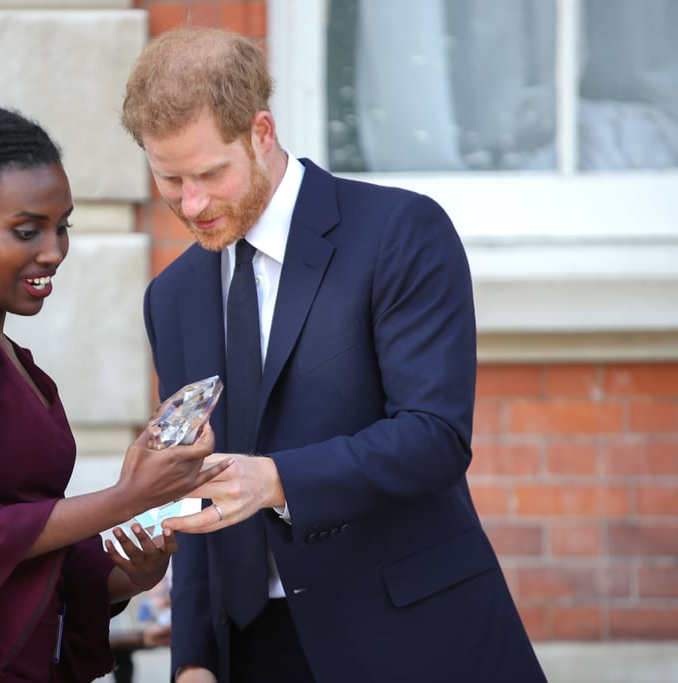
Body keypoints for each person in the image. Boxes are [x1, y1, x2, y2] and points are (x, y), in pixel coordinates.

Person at [121, 26, 547, 683]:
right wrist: (195, 658)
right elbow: (195, 481)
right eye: (169, 178)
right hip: (250, 654)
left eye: (210, 173)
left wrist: (277, 479)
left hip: (409, 640)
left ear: (262, 133)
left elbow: (434, 436)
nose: (192, 202)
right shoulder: (170, 296)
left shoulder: (400, 231)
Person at [0, 106, 228, 683]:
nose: (53, 250)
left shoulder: (5, 353)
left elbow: (21, 530)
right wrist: (127, 497)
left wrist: (124, 573)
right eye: (27, 231)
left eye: (62, 226)